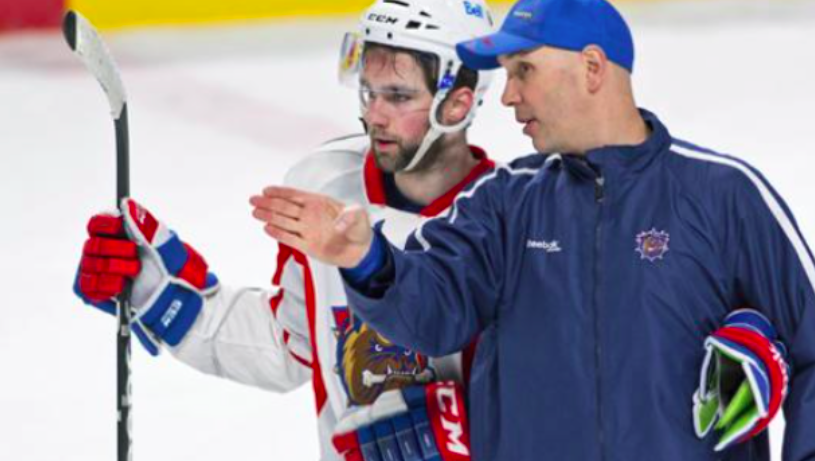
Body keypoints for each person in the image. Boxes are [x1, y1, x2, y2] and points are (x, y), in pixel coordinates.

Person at [253, 0, 815, 459]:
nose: (509, 94)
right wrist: (366, 258)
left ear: (592, 68)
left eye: (524, 70)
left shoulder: (723, 195)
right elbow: (432, 311)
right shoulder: (504, 203)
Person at [73, 0, 498, 460]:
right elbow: (292, 344)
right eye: (368, 91)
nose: (374, 114)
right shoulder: (326, 185)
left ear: (456, 105)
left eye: (397, 96)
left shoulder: (509, 222)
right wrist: (164, 298)